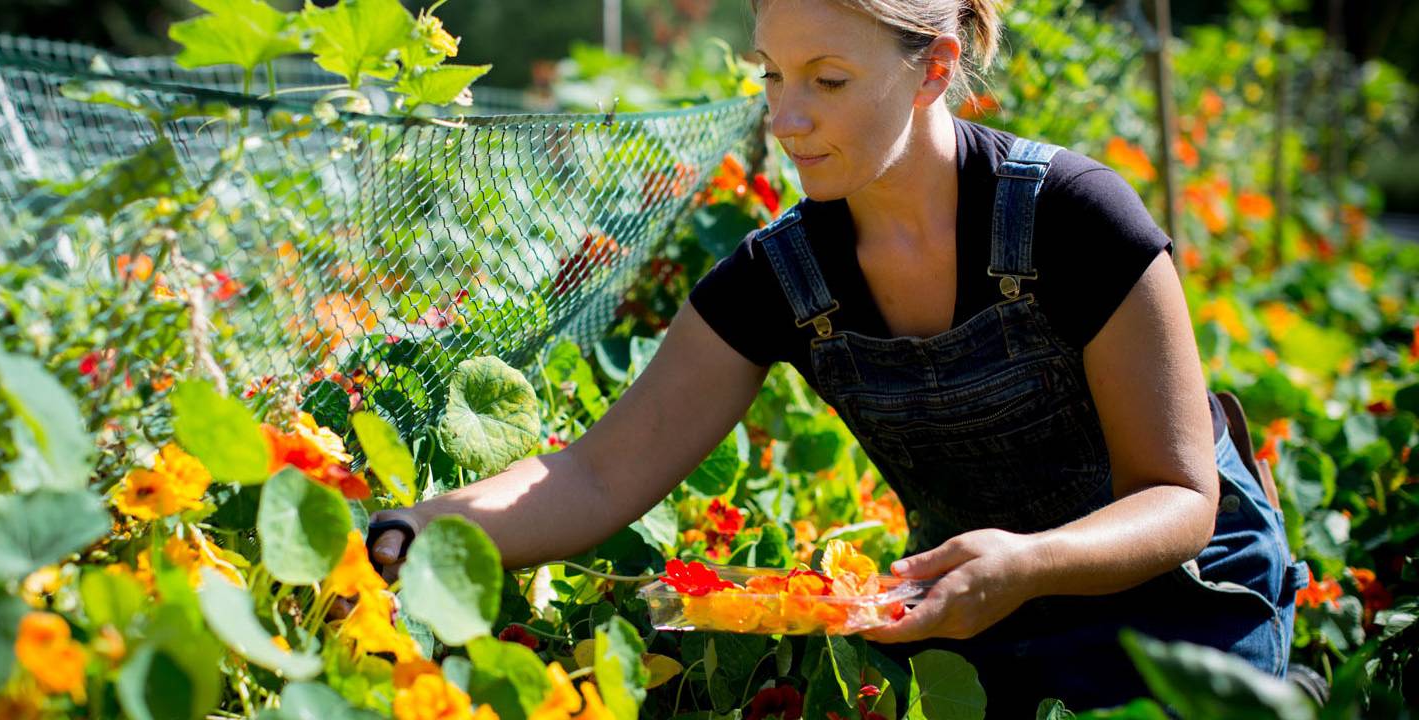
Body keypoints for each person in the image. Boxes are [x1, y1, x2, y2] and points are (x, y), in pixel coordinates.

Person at [371, 0, 1307, 711]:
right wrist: (407, 532)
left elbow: (1182, 497)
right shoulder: (782, 274)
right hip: (969, 613)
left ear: (935, 68)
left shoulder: (1075, 217)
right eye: (773, 76)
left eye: (828, 80)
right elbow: (593, 476)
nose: (785, 119)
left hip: (1180, 608)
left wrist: (1026, 563)